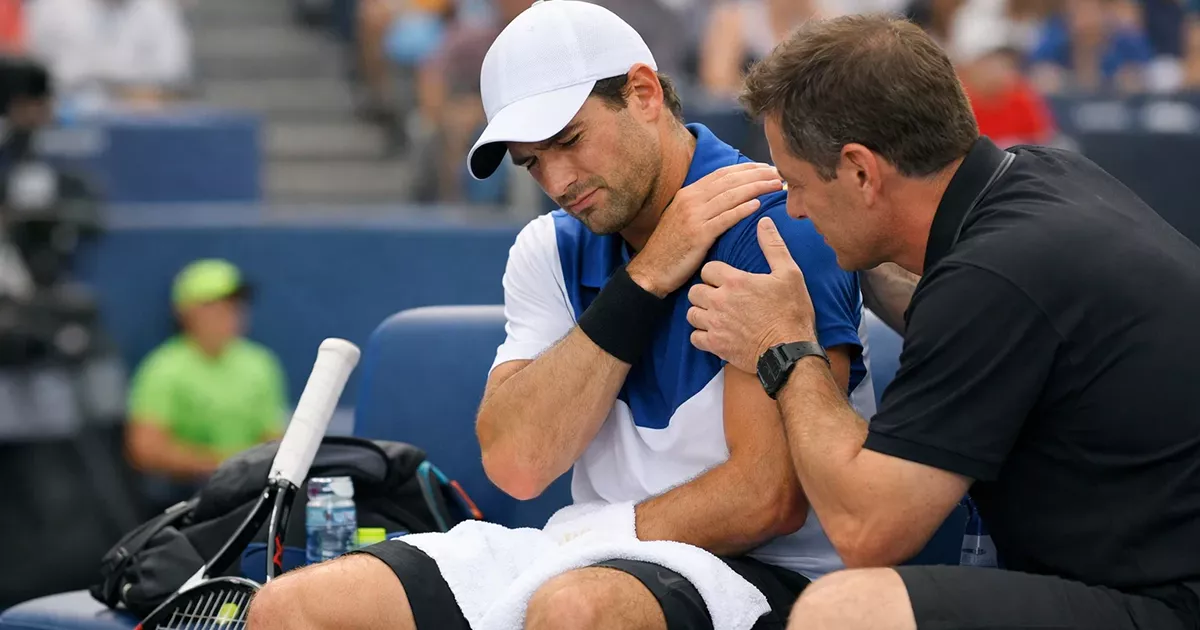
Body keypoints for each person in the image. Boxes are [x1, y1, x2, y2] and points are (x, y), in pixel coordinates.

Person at [246, 2, 874, 628]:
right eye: (532, 161)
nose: (558, 179)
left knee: (572, 608)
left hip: (767, 573)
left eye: (570, 141)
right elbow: (518, 465)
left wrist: (582, 542)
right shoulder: (548, 246)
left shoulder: (776, 224)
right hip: (587, 555)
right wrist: (645, 278)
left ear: (644, 93)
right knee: (291, 607)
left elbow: (769, 499)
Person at [686, 14, 1200, 630]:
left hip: (1170, 604)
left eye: (795, 183)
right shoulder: (1044, 182)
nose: (793, 207)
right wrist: (859, 273)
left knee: (845, 612)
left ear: (859, 171)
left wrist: (785, 345)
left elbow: (868, 531)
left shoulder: (993, 276)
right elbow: (976, 319)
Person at [126, 259, 287, 506]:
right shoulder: (162, 368)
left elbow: (275, 437)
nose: (230, 313)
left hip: (252, 492)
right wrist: (222, 467)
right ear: (186, 312)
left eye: (235, 304)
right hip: (186, 497)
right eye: (215, 305)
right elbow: (145, 449)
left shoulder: (261, 363)